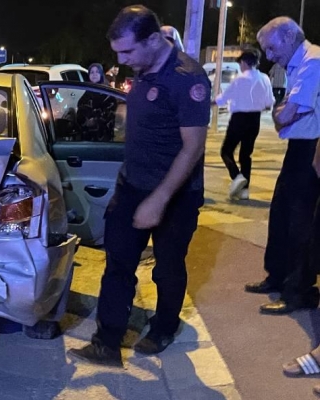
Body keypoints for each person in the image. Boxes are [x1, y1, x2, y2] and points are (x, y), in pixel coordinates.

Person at [67, 5, 210, 367]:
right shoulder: (142, 69)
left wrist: (159, 199)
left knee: (167, 268)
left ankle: (163, 328)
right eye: (118, 52)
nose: (122, 60)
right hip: (132, 186)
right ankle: (106, 343)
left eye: (128, 51)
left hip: (175, 194)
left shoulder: (187, 78)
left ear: (154, 39)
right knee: (118, 264)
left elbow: (193, 147)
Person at [244, 17, 320, 315]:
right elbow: (284, 116)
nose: (269, 55)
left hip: (311, 149)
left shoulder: (313, 62)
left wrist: (282, 113)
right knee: (281, 214)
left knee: (301, 224)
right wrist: (283, 113)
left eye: (272, 48)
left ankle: (299, 291)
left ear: (289, 37)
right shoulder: (298, 64)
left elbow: (284, 116)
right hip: (299, 148)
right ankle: (277, 276)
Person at [214, 47, 275, 201]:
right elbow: (269, 102)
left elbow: (224, 98)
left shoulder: (240, 79)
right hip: (255, 119)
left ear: (244, 62)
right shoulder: (264, 78)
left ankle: (237, 176)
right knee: (246, 154)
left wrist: (211, 102)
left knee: (226, 151)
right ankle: (244, 190)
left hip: (239, 118)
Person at [77, 63, 117, 141]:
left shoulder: (108, 92)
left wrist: (93, 121)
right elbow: (80, 110)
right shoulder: (88, 90)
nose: (94, 74)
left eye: (97, 72)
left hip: (103, 139)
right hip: (87, 138)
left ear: (101, 74)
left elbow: (109, 115)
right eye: (92, 72)